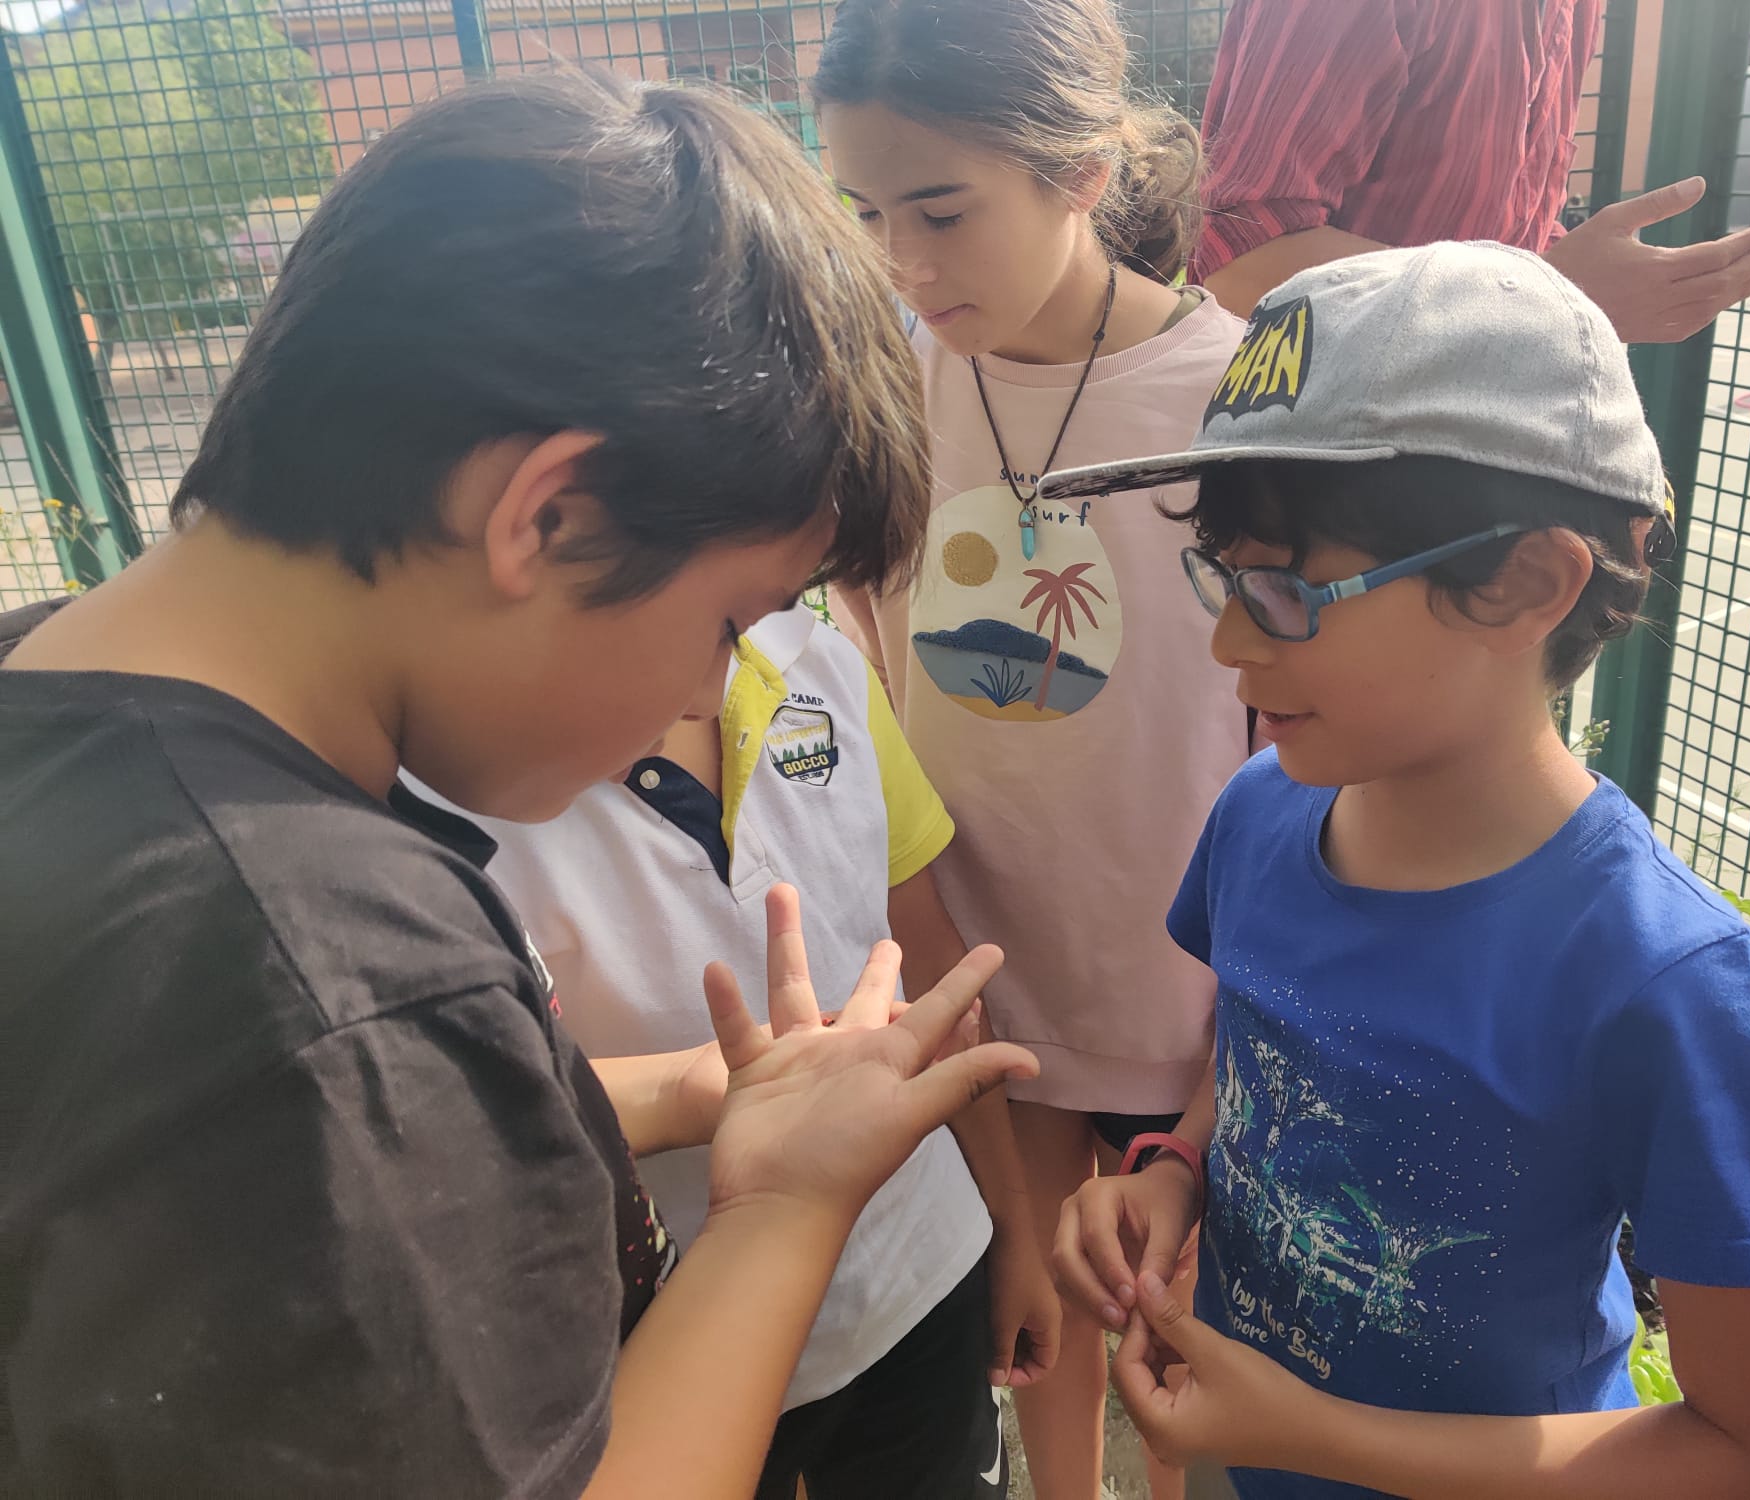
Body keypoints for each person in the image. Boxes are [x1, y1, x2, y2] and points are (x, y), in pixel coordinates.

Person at [0, 73, 1041, 1497]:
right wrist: (788, 1202)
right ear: (547, 516)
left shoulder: (51, 705)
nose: (708, 690)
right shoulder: (335, 990)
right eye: (728, 621)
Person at [1042, 244, 1750, 1499]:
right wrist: (1174, 1173)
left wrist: (1306, 1435)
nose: (1227, 640)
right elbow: (1250, 1064)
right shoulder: (1260, 814)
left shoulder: (1676, 995)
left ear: (1523, 584)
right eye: (1224, 577)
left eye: (1283, 589)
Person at [812, 2, 1252, 1495]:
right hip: (976, 947)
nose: (905, 263)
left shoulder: (1235, 393)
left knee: (1168, 1310)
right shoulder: (888, 379)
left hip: (1182, 963)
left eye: (942, 211)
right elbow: (871, 630)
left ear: (1081, 171)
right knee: (1036, 1305)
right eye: (868, 213)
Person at [464, 600, 1061, 1499]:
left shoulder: (821, 664)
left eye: (766, 600)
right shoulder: (441, 800)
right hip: (681, 1341)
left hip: (922, 1272)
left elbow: (929, 962)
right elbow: (468, 1109)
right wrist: (687, 1092)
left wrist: (1012, 1222)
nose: (726, 676)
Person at [1189, 0, 1750, 344]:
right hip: (1323, 465)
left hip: (1465, 432)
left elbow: (1505, 232)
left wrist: (1599, 276)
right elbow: (1239, 263)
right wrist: (1551, 295)